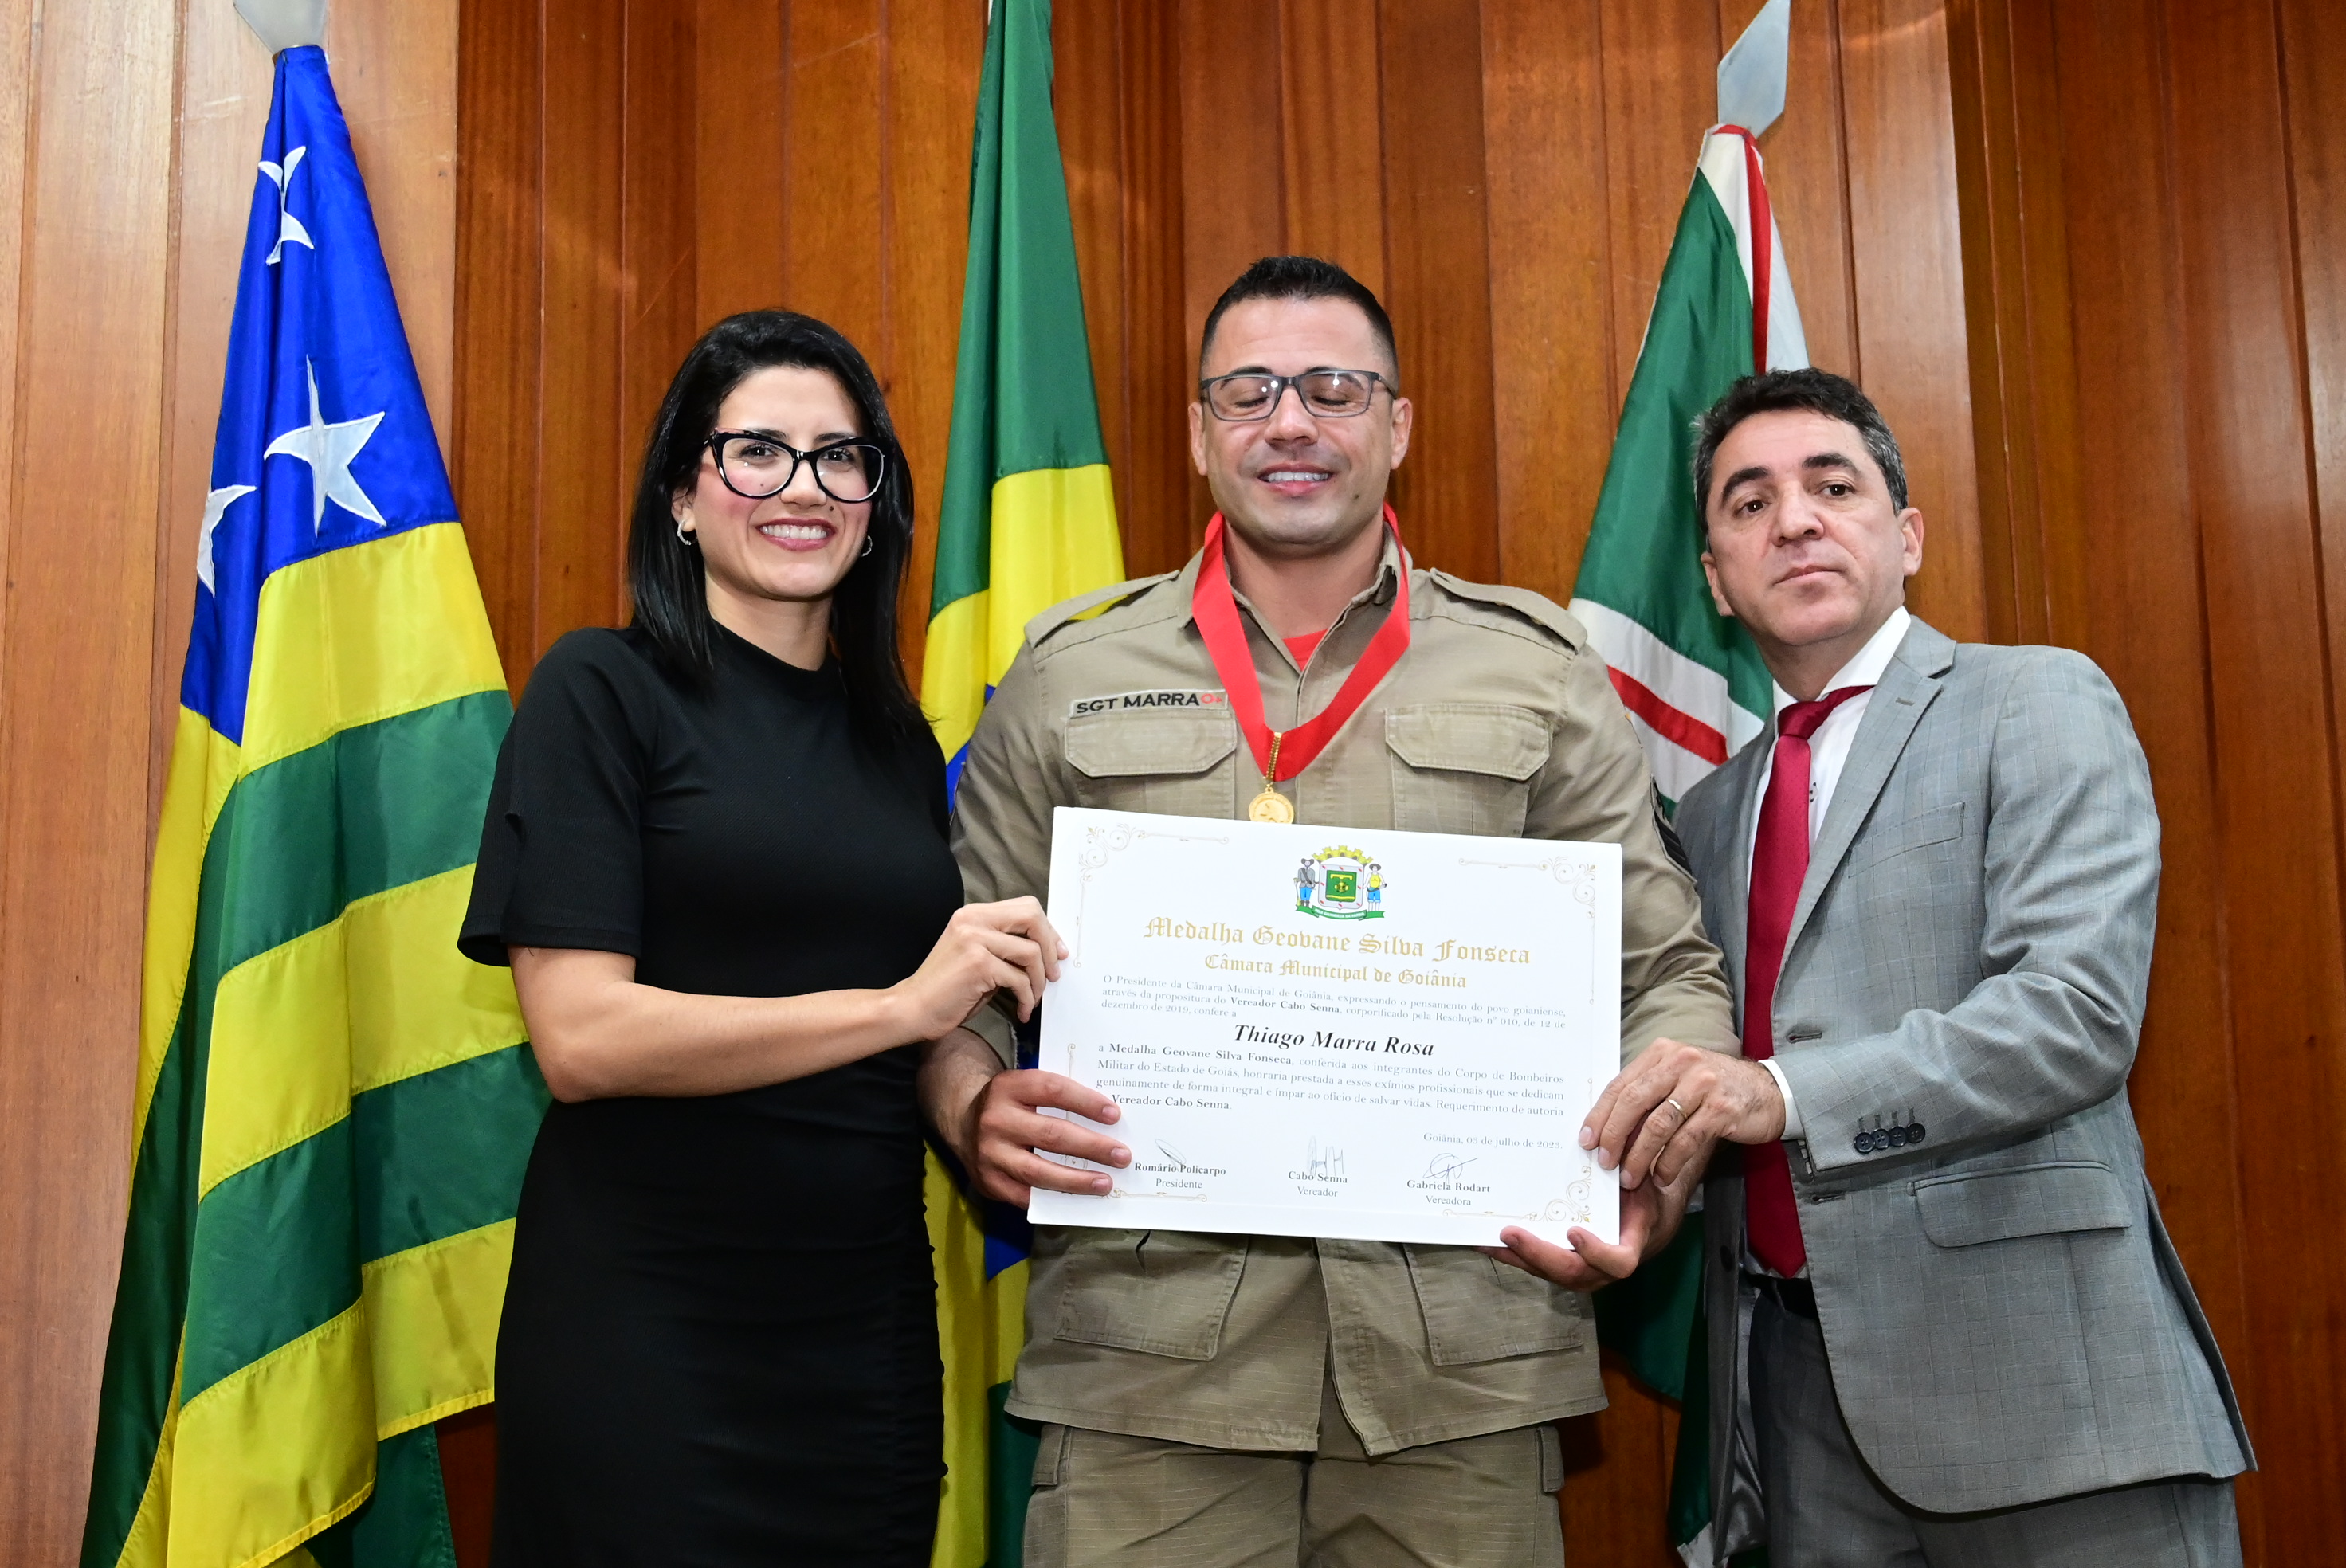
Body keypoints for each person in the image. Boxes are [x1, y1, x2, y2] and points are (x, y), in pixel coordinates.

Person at [915, 256, 1739, 1567]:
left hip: (1466, 1362)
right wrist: (971, 1106)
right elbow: (953, 975)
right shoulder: (1069, 672)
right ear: (1201, 433)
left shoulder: (1535, 669)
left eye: (1333, 390)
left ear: (1397, 425)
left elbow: (1665, 972)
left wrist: (1647, 1163)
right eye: (1248, 392)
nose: (1289, 422)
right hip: (1146, 1375)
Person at [1563, 369, 2252, 1565]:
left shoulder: (2035, 699)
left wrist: (1782, 1093)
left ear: (1909, 534)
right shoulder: (1710, 813)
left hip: (2044, 1393)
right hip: (1789, 1404)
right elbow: (1691, 1063)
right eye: (1749, 503)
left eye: (1833, 487)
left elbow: (2074, 1016)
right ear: (1717, 579)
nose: (1795, 521)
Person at [457, 310, 1063, 1566]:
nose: (804, 488)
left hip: (860, 1334)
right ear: (684, 497)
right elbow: (581, 1040)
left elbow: (933, 1040)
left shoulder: (898, 745)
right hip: (648, 1329)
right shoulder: (599, 692)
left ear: (876, 505)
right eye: (757, 452)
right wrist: (900, 1009)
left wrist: (978, 1099)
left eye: (841, 457)